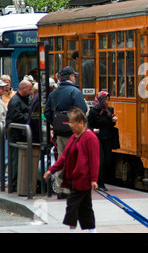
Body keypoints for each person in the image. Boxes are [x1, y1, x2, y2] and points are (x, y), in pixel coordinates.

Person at [43, 107, 100, 233]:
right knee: (85, 207)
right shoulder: (74, 136)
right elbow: (64, 156)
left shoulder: (90, 137)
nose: (70, 126)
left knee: (72, 206)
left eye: (72, 123)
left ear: (81, 122)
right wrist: (51, 170)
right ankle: (92, 231)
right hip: (74, 178)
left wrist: (94, 179)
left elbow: (94, 160)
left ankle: (72, 231)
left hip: (83, 179)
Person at [45, 66, 87, 199]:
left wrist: (55, 122)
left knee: (61, 157)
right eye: (74, 76)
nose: (75, 77)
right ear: (71, 77)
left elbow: (46, 112)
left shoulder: (54, 93)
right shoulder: (75, 92)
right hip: (73, 132)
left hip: (59, 131)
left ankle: (59, 188)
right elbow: (82, 110)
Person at [6, 80, 33, 191]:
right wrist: (28, 114)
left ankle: (16, 182)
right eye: (29, 89)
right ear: (23, 88)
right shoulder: (15, 101)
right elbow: (17, 116)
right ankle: (14, 183)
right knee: (15, 160)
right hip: (16, 135)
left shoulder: (23, 100)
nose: (31, 92)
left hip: (20, 134)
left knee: (18, 160)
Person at [87, 91, 118, 190]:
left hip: (107, 139)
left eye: (107, 100)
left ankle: (99, 179)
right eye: (105, 100)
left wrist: (114, 121)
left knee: (108, 161)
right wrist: (93, 130)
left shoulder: (110, 110)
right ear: (100, 100)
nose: (106, 102)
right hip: (97, 140)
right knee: (101, 161)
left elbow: (110, 125)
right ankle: (100, 183)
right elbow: (88, 126)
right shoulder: (93, 112)